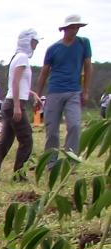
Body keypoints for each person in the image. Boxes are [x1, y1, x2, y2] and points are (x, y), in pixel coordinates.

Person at [0, 29, 42, 181]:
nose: (36, 44)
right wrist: (17, 106)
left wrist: (32, 93)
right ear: (28, 41)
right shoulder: (22, 57)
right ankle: (19, 175)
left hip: (10, 102)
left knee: (5, 142)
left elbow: (18, 83)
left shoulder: (18, 57)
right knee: (26, 140)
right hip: (13, 104)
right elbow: (15, 82)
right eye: (35, 41)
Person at [35, 14, 92, 162]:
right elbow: (44, 73)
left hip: (74, 91)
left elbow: (88, 67)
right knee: (52, 130)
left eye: (77, 27)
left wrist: (86, 90)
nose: (75, 30)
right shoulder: (53, 48)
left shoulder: (84, 43)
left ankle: (71, 161)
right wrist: (37, 94)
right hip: (54, 91)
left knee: (74, 126)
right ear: (65, 29)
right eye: (73, 27)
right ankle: (50, 163)